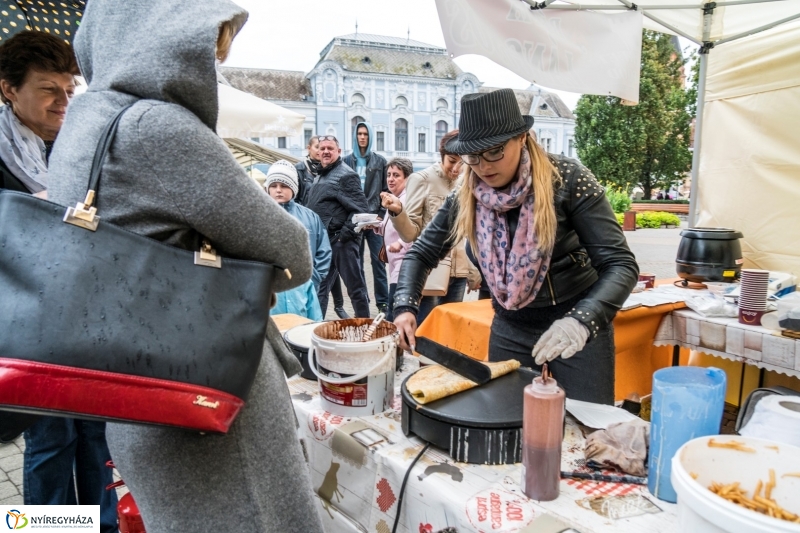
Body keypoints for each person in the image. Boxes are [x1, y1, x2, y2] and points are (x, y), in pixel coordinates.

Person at [47, 2, 325, 531]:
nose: (211, 68)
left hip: (136, 398)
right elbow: (293, 250)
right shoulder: (156, 127)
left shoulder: (82, 125)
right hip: (209, 399)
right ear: (163, 31)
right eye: (207, 48)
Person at [393, 89, 638, 405]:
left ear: (522, 137)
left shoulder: (568, 179)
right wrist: (404, 307)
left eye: (495, 151)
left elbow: (620, 264)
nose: (483, 166)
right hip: (510, 329)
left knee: (586, 426)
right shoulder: (465, 192)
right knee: (509, 427)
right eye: (473, 156)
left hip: (575, 328)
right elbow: (422, 251)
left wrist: (582, 320)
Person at [0, 30, 119, 533]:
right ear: (8, 89)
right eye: (49, 89)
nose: (62, 102)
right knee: (50, 442)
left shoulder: (79, 149)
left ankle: (102, 527)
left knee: (97, 438)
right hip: (28, 323)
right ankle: (48, 529)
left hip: (92, 319)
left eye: (70, 89)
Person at [385, 129, 481, 323]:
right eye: (452, 161)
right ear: (442, 156)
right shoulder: (422, 179)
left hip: (459, 272)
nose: (456, 169)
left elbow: (469, 233)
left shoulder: (468, 183)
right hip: (431, 270)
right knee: (426, 328)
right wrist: (398, 212)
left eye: (462, 162)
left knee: (450, 330)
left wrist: (473, 272)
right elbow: (410, 234)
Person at [306, 135, 371, 318]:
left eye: (330, 148)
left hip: (341, 243)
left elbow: (360, 211)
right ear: (318, 152)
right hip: (325, 244)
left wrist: (344, 236)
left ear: (338, 151)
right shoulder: (320, 174)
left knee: (355, 289)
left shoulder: (346, 174)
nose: (325, 151)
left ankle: (365, 327)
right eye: (322, 148)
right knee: (320, 288)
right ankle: (314, 327)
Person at [265, 159, 330, 320]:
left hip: (302, 293)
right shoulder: (258, 218)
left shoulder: (310, 218)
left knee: (304, 332)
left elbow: (324, 251)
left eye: (284, 185)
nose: (278, 190)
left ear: (293, 188)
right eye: (274, 186)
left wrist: (310, 277)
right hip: (270, 295)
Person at [343, 121, 389, 314]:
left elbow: (385, 190)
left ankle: (383, 303)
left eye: (366, 134)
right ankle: (362, 302)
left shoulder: (380, 162)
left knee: (378, 262)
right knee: (357, 263)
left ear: (370, 137)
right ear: (355, 136)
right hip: (355, 220)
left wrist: (380, 215)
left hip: (374, 219)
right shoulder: (346, 161)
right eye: (359, 134)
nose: (362, 137)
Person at [374, 158, 414, 321]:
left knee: (393, 314)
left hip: (404, 265)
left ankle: (396, 346)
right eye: (389, 174)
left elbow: (415, 229)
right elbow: (389, 227)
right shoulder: (393, 199)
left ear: (407, 179)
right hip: (394, 265)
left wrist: (402, 244)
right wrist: (374, 225)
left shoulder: (408, 200)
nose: (390, 179)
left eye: (396, 175)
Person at [294, 134, 320, 205]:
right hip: (303, 213)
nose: (320, 150)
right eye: (317, 147)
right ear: (309, 148)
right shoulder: (299, 168)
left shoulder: (328, 168)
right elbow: (294, 197)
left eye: (322, 148)